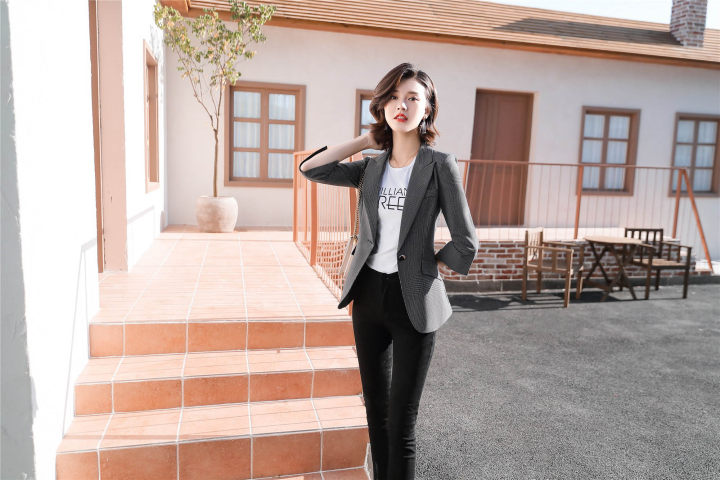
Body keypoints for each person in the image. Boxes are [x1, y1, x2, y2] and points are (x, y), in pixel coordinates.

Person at [298, 62, 478, 480]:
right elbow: (312, 169)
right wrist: (367, 138)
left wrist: (428, 266)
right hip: (368, 298)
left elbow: (465, 240)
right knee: (376, 416)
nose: (402, 105)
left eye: (413, 98)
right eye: (393, 97)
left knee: (401, 424)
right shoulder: (371, 167)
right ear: (382, 106)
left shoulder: (439, 165)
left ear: (427, 108)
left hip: (413, 300)